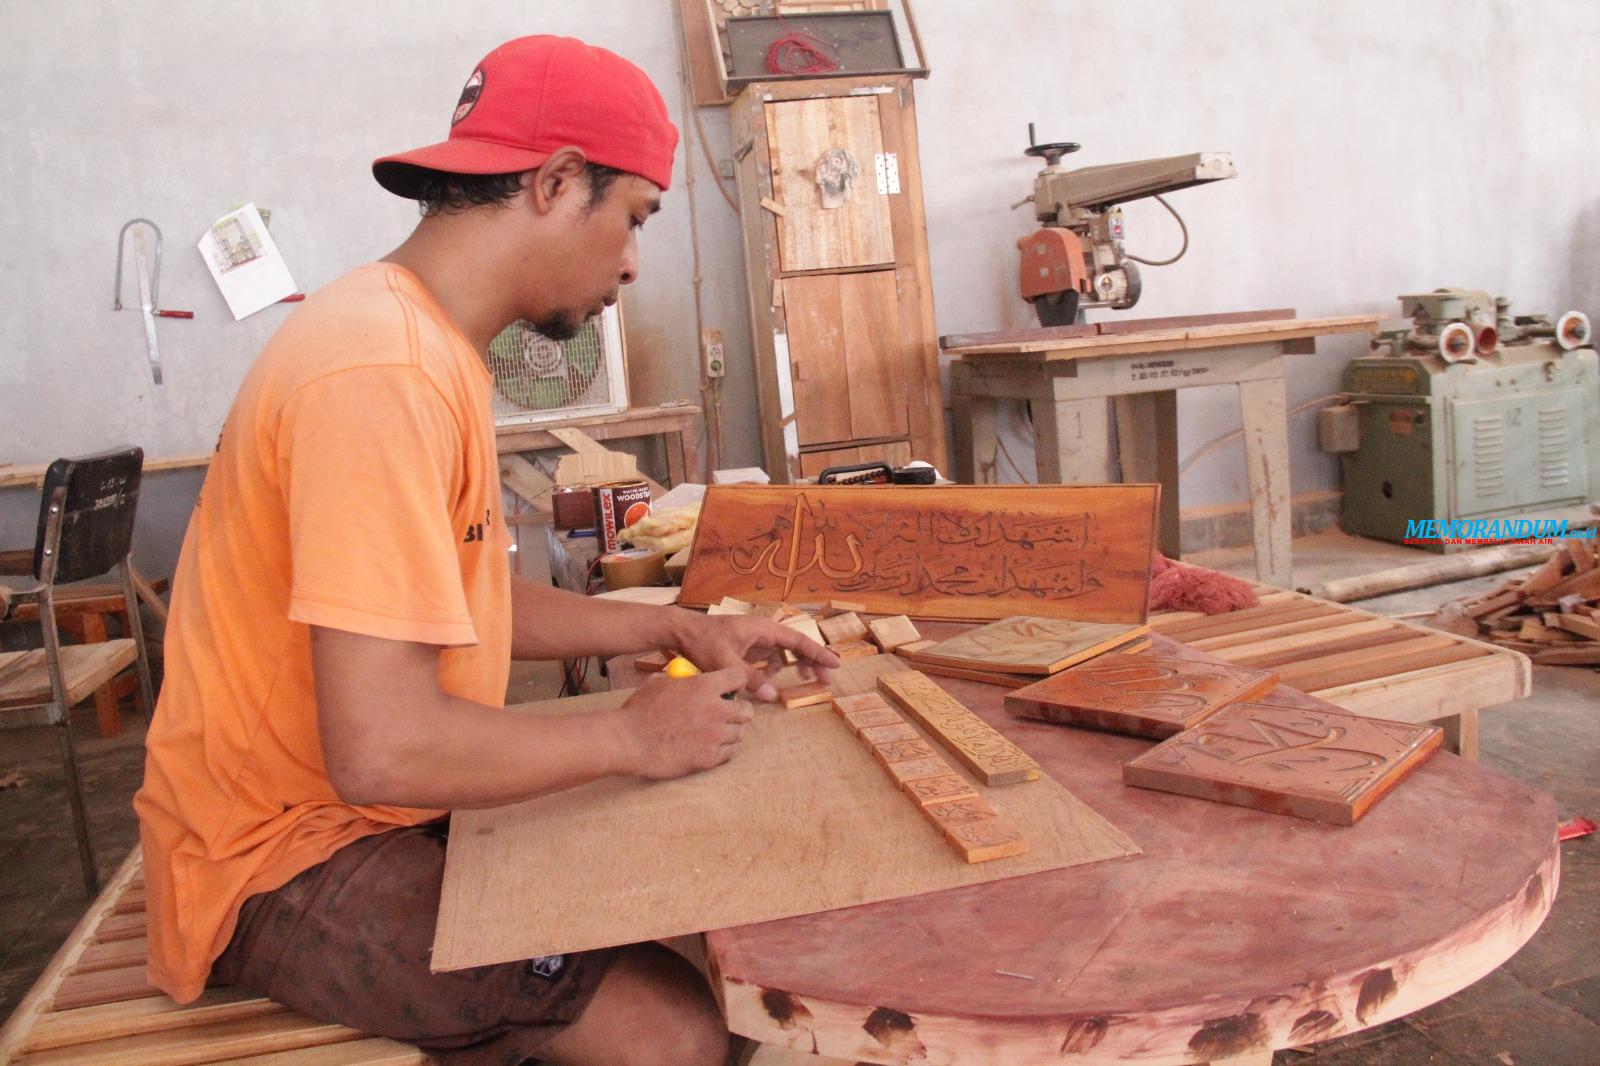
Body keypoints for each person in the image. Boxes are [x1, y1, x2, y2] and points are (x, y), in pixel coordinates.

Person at [134, 35, 838, 1066]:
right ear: (556, 181)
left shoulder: (423, 346)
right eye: (633, 215)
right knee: (675, 1031)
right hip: (278, 860)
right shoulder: (379, 371)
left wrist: (684, 623)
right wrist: (628, 739)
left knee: (695, 902)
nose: (634, 259)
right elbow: (380, 743)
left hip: (363, 814)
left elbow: (464, 600)